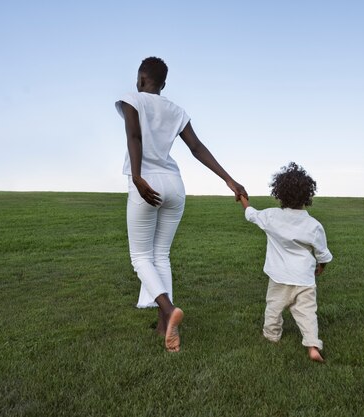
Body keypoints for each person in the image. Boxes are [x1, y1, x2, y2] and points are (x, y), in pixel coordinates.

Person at [116, 57, 248, 352]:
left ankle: (168, 308)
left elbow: (134, 136)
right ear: (163, 84)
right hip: (175, 186)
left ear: (140, 79)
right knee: (161, 254)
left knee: (140, 256)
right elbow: (197, 147)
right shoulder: (176, 110)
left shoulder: (131, 99)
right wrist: (229, 180)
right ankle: (165, 327)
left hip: (146, 182)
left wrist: (137, 176)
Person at [239, 162, 332, 362]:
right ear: (308, 196)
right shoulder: (314, 225)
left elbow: (251, 214)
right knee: (307, 314)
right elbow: (322, 253)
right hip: (304, 280)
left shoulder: (272, 216)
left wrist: (243, 199)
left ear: (279, 194)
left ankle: (272, 336)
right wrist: (321, 267)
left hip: (279, 278)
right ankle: (313, 345)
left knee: (273, 308)